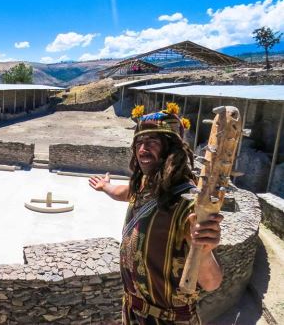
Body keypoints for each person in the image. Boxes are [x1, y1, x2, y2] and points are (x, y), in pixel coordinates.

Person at [89, 103, 223, 324]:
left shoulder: (188, 204)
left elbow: (212, 282)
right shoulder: (145, 185)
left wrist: (205, 251)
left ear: (172, 149)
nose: (142, 149)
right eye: (139, 142)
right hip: (133, 314)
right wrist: (105, 187)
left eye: (152, 142)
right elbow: (125, 192)